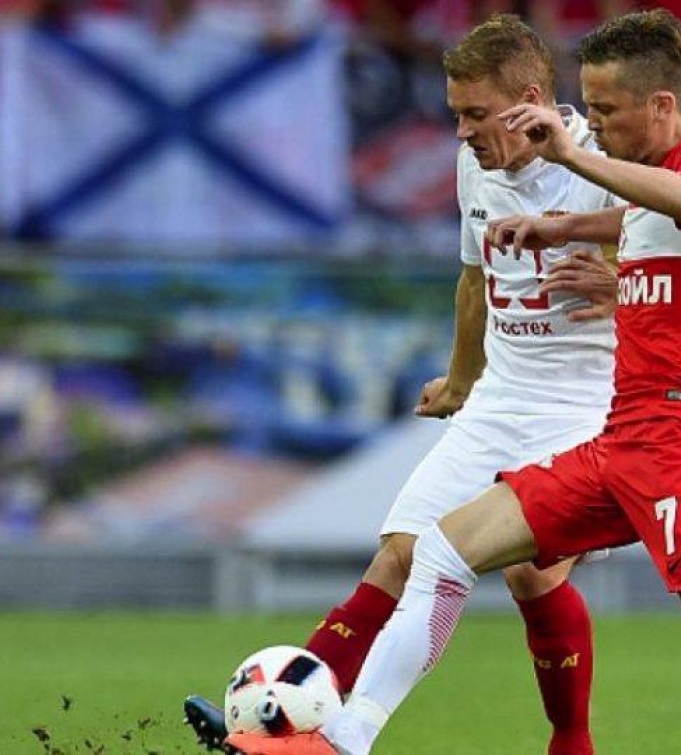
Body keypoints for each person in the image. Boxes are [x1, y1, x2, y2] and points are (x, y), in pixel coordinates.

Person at [225, 9, 681, 755]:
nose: (594, 126)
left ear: (662, 105)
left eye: (608, 111)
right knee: (442, 550)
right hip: (618, 439)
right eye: (589, 110)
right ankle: (346, 738)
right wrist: (562, 228)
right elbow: (643, 221)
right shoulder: (641, 187)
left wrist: (570, 159)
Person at [186, 14, 620, 755]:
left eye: (476, 113)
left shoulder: (603, 163)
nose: (461, 131)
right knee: (397, 554)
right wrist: (460, 381)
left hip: (584, 408)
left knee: (532, 574)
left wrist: (620, 283)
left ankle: (570, 743)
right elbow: (474, 280)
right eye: (456, 114)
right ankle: (271, 730)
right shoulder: (475, 165)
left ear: (530, 101)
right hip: (500, 401)